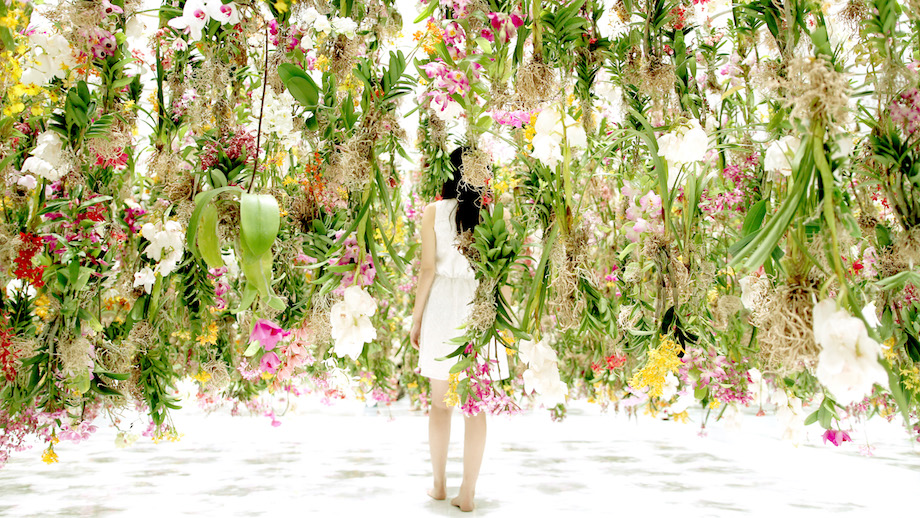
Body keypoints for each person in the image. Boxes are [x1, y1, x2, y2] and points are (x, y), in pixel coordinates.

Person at [410, 146, 509, 512]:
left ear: (450, 173)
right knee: (475, 404)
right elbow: (501, 270)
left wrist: (417, 318)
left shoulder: (434, 211)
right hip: (479, 306)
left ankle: (439, 485)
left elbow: (427, 271)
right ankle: (467, 492)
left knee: (440, 405)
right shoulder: (494, 211)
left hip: (440, 305)